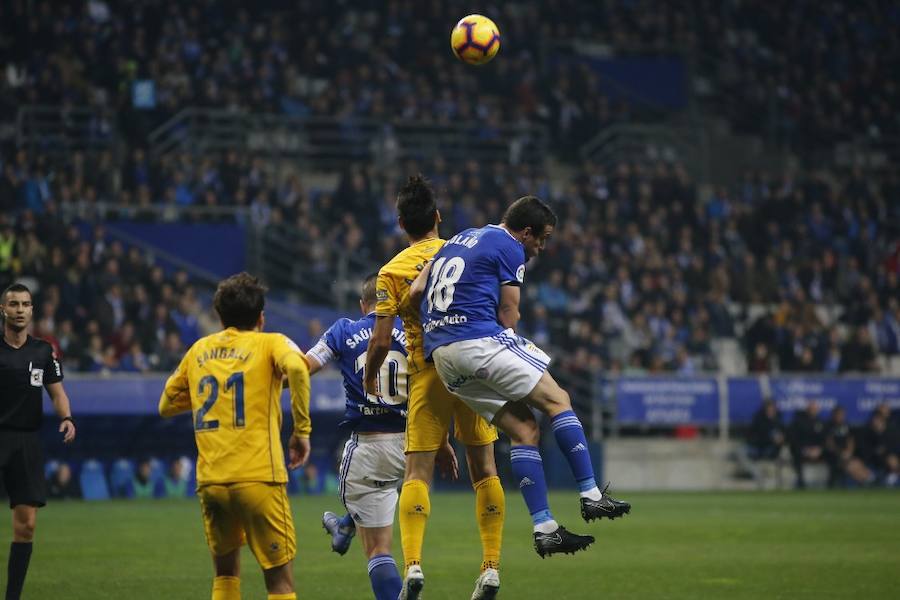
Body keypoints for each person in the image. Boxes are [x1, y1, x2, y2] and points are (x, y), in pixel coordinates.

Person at [417, 196, 631, 559]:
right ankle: (592, 495)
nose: (541, 248)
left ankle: (545, 528)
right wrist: (504, 337)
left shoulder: (459, 238)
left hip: (442, 355)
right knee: (558, 399)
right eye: (541, 239)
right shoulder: (509, 246)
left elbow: (416, 291)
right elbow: (509, 310)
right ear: (526, 232)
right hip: (478, 340)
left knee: (524, 430)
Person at [364, 175, 504, 600]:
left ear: (401, 224)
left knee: (417, 474)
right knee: (485, 471)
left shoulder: (391, 272)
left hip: (428, 371)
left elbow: (383, 339)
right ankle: (491, 566)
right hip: (473, 367)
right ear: (438, 217)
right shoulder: (464, 253)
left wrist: (371, 378)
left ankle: (414, 566)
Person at [159, 272, 311, 600]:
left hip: (212, 482)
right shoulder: (271, 341)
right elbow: (299, 369)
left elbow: (166, 404)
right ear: (261, 317)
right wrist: (302, 431)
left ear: (219, 316)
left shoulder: (198, 350)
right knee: (279, 583)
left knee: (226, 574)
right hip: (259, 478)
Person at [305, 274, 457, 600]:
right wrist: (443, 440)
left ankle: (347, 526)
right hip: (414, 447)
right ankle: (345, 524)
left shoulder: (343, 329)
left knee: (377, 548)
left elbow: (306, 365)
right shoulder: (416, 332)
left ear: (363, 305)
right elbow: (437, 388)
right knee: (380, 494)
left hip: (369, 446)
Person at [0, 282, 76, 600]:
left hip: (26, 441)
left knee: (27, 524)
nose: (19, 309)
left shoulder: (43, 351)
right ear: (3, 310)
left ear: (32, 310)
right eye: (13, 304)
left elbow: (57, 393)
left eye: (25, 304)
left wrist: (66, 418)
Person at [823, 406, 873, 487]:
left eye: (842, 415)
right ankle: (864, 481)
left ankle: (868, 478)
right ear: (834, 415)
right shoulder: (829, 426)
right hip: (834, 455)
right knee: (850, 465)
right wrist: (840, 452)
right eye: (839, 414)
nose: (841, 416)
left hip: (847, 454)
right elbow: (829, 443)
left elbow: (850, 441)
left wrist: (849, 451)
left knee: (856, 462)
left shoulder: (846, 425)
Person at [788, 402, 825, 489]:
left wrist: (819, 449)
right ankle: (801, 483)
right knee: (796, 455)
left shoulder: (820, 422)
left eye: (815, 409)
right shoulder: (799, 421)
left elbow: (824, 439)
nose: (814, 410)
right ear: (807, 409)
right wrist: (805, 450)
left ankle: (832, 483)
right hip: (802, 450)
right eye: (812, 408)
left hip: (817, 451)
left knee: (832, 455)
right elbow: (794, 439)